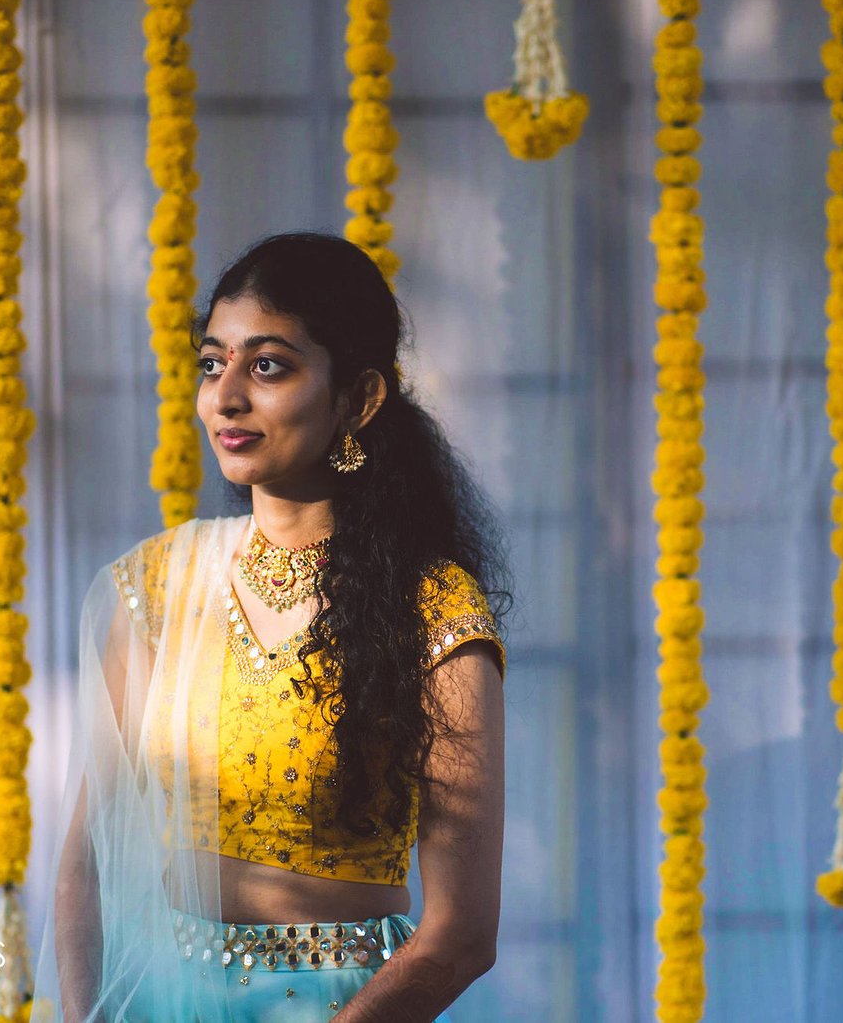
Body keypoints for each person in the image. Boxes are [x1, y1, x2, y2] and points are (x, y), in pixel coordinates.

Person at [29, 232, 511, 1022]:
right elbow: (86, 864)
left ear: (358, 399)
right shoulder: (160, 587)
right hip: (159, 1001)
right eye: (212, 363)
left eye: (268, 366)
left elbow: (460, 935)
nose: (224, 397)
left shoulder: (431, 609)